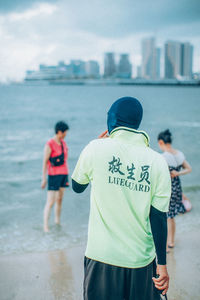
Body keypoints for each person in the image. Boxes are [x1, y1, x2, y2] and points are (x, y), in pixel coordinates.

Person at [72, 97, 171, 300]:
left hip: (101, 257)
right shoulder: (157, 161)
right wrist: (162, 264)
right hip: (140, 261)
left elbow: (77, 186)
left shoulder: (95, 148)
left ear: (112, 119)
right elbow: (158, 218)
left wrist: (97, 147)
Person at [157, 129, 192, 252]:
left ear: (161, 142)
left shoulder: (163, 157)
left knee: (166, 216)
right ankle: (171, 241)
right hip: (177, 187)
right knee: (171, 216)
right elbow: (189, 169)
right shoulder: (179, 154)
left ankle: (166, 243)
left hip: (166, 188)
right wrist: (178, 173)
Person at [41, 121, 69, 232]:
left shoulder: (63, 143)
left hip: (63, 174)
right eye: (65, 132)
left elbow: (65, 159)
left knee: (60, 200)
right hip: (53, 175)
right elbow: (44, 162)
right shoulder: (49, 144)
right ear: (59, 131)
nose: (66, 134)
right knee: (50, 201)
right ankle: (45, 226)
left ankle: (57, 222)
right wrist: (43, 178)